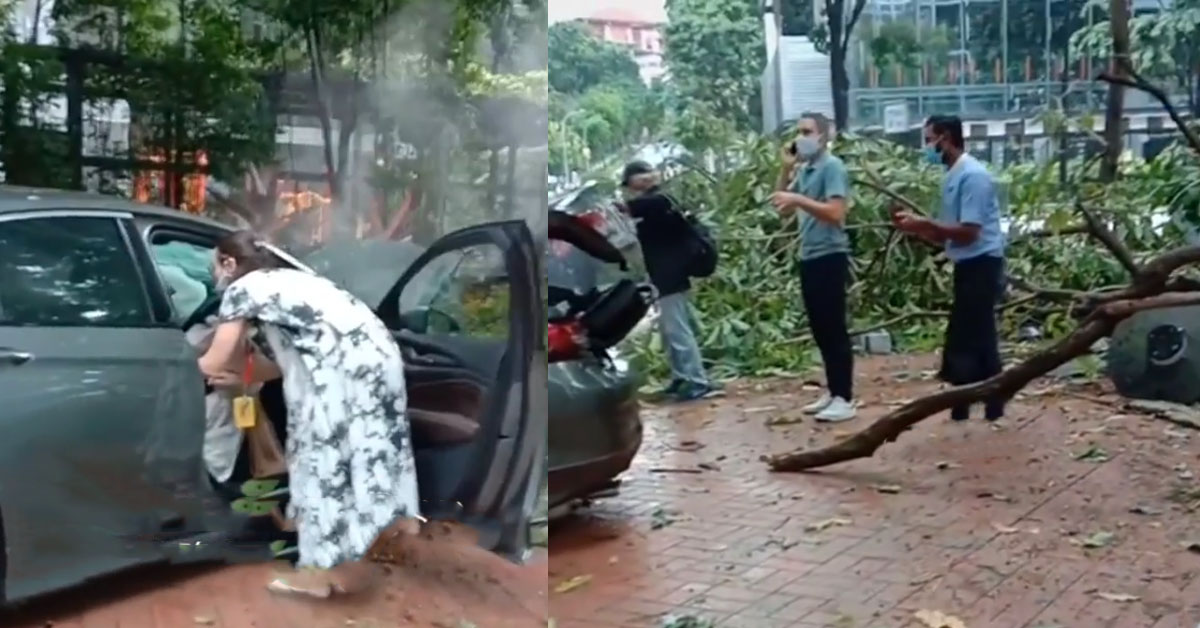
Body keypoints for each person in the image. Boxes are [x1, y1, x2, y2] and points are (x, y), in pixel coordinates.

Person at [196, 230, 421, 597]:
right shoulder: (291, 282)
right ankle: (385, 531)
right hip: (377, 363)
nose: (214, 278)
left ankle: (318, 573)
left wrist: (171, 369)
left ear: (229, 262)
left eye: (215, 268)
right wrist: (244, 376)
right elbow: (281, 363)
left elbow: (216, 357)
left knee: (320, 462)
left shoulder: (244, 288)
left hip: (338, 375)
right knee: (369, 452)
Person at [891, 115, 1007, 421]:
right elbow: (948, 232)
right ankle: (976, 401)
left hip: (982, 263)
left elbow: (969, 231)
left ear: (946, 138)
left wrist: (926, 224)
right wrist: (916, 229)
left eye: (930, 140)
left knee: (973, 335)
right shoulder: (954, 175)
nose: (928, 147)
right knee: (974, 335)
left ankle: (976, 401)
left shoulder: (973, 176)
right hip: (968, 264)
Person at [768, 112, 857, 422]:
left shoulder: (832, 167)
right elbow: (781, 210)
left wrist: (798, 199)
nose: (800, 138)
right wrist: (785, 170)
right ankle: (832, 390)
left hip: (830, 255)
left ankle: (844, 397)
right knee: (820, 329)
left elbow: (835, 212)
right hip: (809, 255)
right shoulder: (806, 169)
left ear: (823, 136)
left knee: (834, 328)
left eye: (807, 131)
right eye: (798, 132)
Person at [619, 160, 716, 402]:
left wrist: (618, 207)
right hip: (662, 275)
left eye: (645, 175)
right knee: (669, 330)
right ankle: (681, 377)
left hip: (670, 274)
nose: (644, 179)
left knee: (677, 330)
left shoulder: (659, 201)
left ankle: (696, 381)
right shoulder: (651, 203)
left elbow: (632, 207)